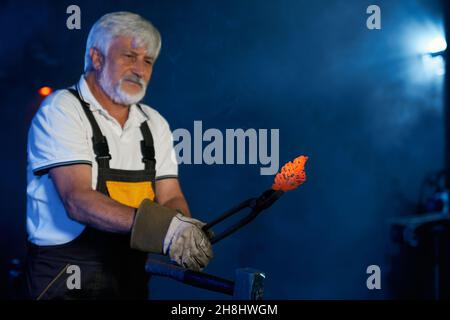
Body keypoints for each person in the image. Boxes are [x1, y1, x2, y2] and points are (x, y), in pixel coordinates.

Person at [25, 11, 213, 300]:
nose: (140, 69)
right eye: (129, 56)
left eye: (148, 61)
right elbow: (77, 201)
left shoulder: (154, 123)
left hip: (131, 276)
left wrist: (184, 230)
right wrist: (166, 229)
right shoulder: (61, 110)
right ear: (97, 58)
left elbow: (171, 195)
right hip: (65, 279)